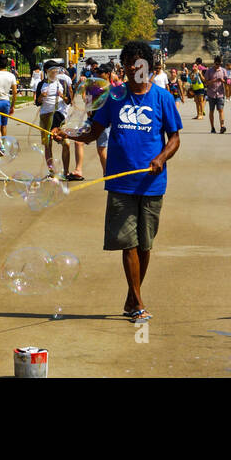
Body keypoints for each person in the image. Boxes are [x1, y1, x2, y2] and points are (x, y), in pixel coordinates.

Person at [56, 40, 182, 324]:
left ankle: (131, 295)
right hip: (120, 182)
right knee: (129, 244)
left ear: (149, 68)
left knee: (145, 245)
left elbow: (174, 138)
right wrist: (66, 134)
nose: (133, 71)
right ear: (123, 68)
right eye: (128, 66)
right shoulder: (114, 98)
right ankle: (138, 303)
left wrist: (161, 158)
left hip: (151, 183)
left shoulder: (162, 98)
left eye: (139, 66)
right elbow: (92, 133)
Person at [35, 61, 73, 176]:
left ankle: (66, 172)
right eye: (53, 71)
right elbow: (37, 102)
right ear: (46, 72)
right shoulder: (41, 84)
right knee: (48, 145)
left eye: (56, 71)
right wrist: (41, 96)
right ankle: (51, 171)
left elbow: (68, 101)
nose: (55, 73)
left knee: (66, 143)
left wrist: (63, 96)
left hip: (59, 117)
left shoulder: (62, 83)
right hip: (45, 116)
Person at [207, 55, 230, 133]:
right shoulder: (209, 71)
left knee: (221, 110)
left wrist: (224, 80)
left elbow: (227, 81)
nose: (218, 66)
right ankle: (212, 127)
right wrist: (215, 80)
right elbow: (206, 82)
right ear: (214, 63)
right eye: (216, 64)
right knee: (211, 111)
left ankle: (222, 126)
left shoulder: (223, 70)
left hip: (220, 93)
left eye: (219, 64)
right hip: (211, 93)